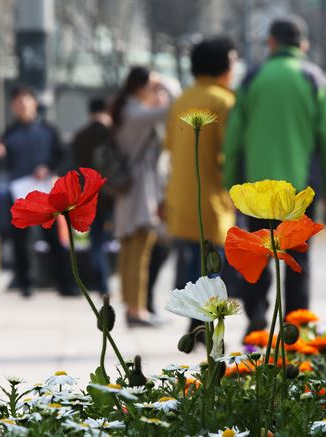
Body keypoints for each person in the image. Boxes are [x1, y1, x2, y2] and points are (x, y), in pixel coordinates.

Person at [223, 16, 326, 332]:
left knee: (257, 254)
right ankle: (295, 327)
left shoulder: (253, 78)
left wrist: (229, 185)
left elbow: (233, 138)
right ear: (302, 44)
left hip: (257, 192)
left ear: (271, 43)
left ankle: (257, 321)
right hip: (298, 190)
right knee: (298, 259)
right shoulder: (315, 78)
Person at [165, 36, 238, 336]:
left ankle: (195, 324)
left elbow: (169, 144)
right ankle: (205, 328)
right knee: (212, 267)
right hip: (211, 198)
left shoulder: (181, 99)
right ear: (223, 65)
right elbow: (232, 151)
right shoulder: (224, 101)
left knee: (191, 263)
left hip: (181, 196)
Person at [0, 86, 77, 297]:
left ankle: (65, 284)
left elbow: (63, 156)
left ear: (34, 103)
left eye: (26, 100)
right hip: (20, 195)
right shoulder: (9, 133)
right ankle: (25, 284)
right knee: (21, 241)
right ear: (13, 106)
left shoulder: (48, 130)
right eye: (18, 102)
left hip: (45, 193)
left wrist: (48, 167)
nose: (22, 105)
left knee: (54, 240)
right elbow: (0, 160)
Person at [112, 66, 170, 327]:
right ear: (139, 87)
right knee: (140, 250)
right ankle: (137, 311)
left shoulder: (128, 110)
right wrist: (167, 83)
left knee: (131, 250)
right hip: (139, 190)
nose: (156, 91)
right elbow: (174, 109)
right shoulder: (135, 113)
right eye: (152, 86)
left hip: (131, 189)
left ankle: (132, 307)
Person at [71, 97, 113, 296]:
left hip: (87, 197)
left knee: (95, 242)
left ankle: (101, 284)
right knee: (111, 242)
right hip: (112, 197)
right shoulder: (112, 135)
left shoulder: (80, 136)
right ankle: (106, 283)